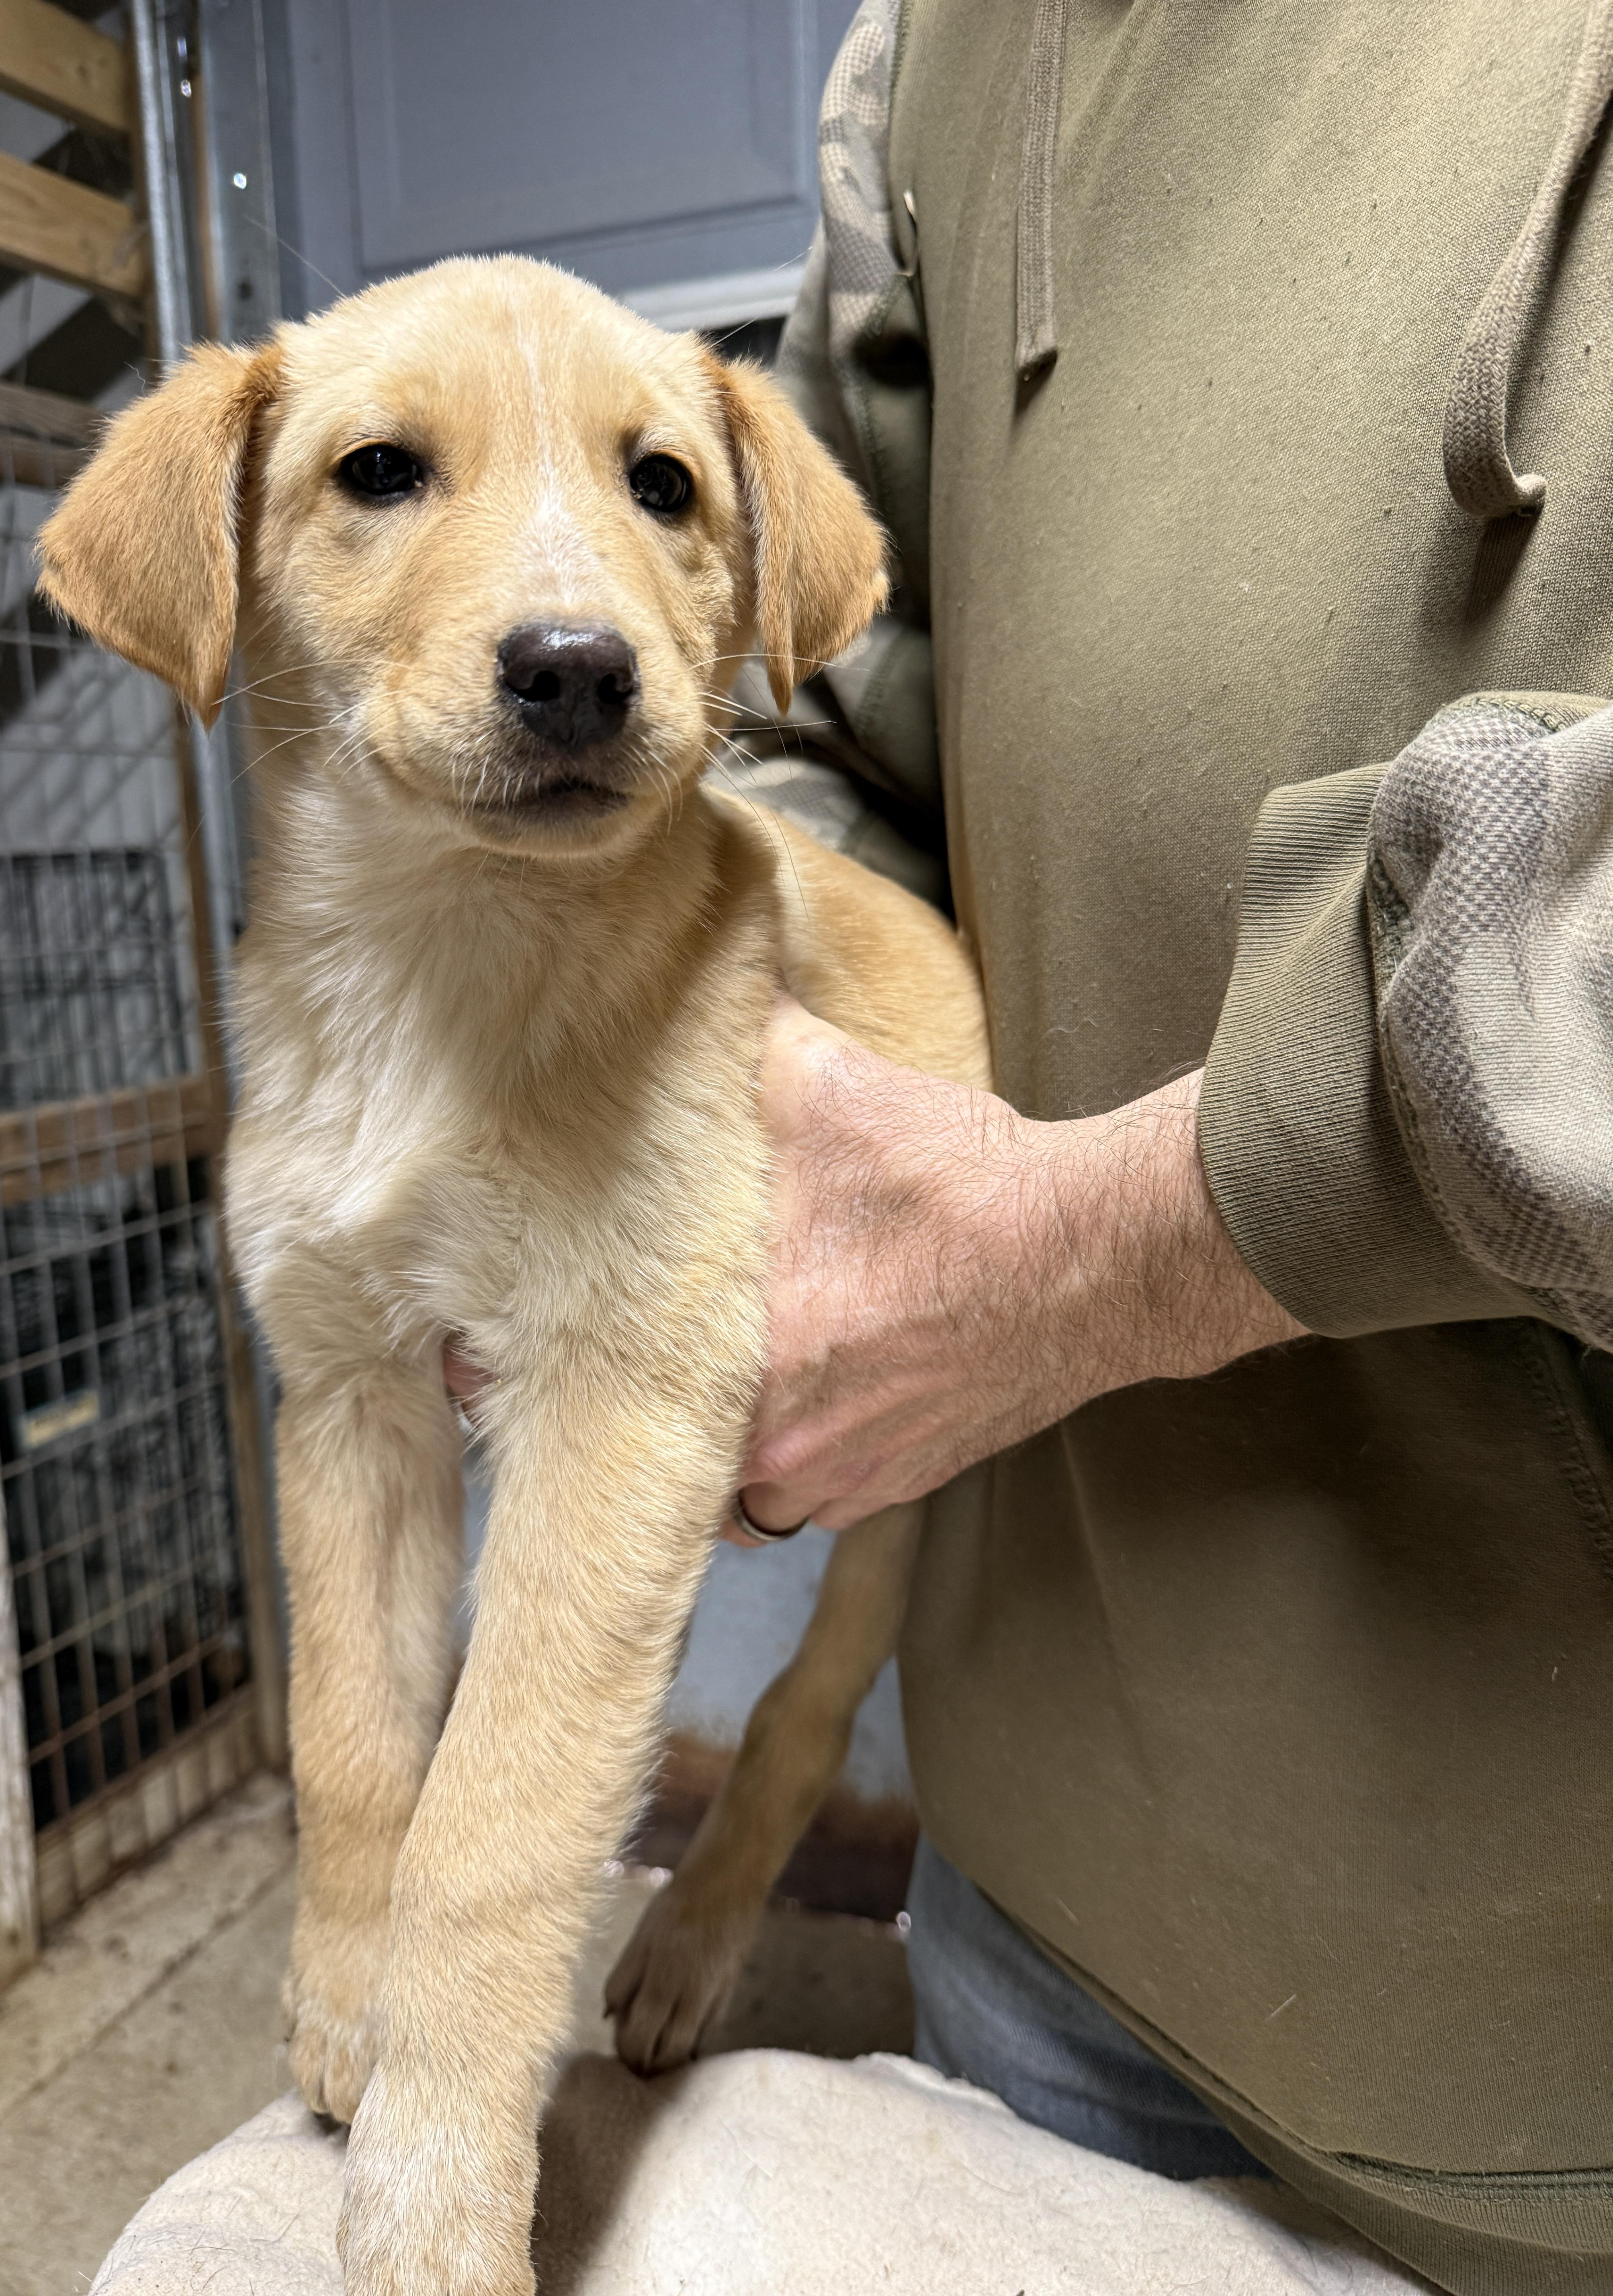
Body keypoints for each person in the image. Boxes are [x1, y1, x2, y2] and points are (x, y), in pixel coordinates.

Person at [719, 5, 1613, 2293]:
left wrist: (1116, 1247)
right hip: (1032, 1906)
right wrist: (730, 1062)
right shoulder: (923, 50)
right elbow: (830, 677)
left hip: (1553, 2056)